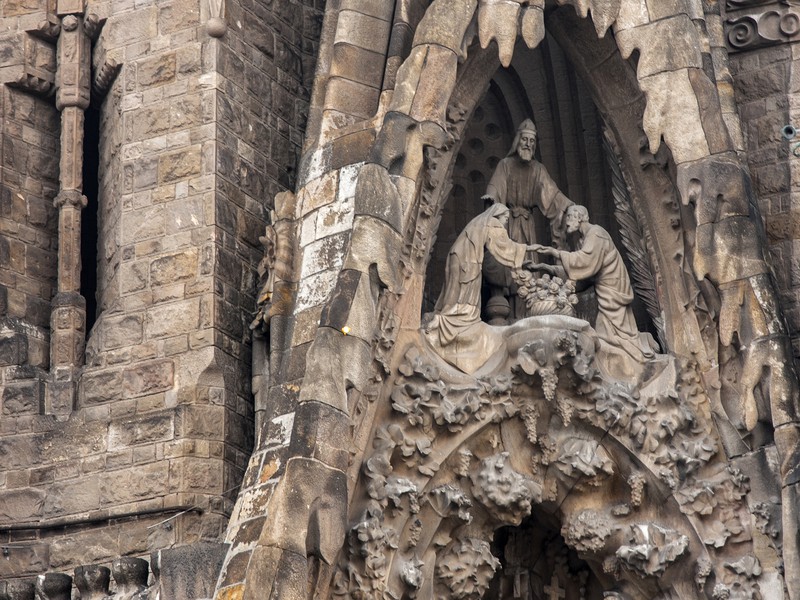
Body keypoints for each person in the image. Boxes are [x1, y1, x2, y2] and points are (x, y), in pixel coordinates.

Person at [533, 205, 657, 379]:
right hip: (605, 288)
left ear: (581, 217)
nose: (566, 221)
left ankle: (632, 365)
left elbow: (585, 261)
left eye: (569, 216)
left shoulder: (596, 233)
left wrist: (556, 252)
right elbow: (583, 275)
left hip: (612, 289)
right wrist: (548, 268)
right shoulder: (584, 240)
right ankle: (627, 362)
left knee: (610, 334)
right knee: (611, 333)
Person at [425, 204, 538, 373]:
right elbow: (505, 248)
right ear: (498, 215)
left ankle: (440, 320)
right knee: (465, 304)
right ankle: (443, 325)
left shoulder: (477, 223)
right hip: (468, 264)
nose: (506, 223)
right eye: (506, 219)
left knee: (454, 298)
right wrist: (528, 249)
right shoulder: (492, 223)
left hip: (456, 258)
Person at [482, 119, 573, 248]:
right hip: (509, 221)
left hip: (527, 224)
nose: (528, 144)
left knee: (528, 259)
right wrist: (491, 197)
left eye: (532, 141)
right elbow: (495, 188)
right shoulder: (505, 165)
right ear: (517, 140)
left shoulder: (538, 169)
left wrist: (569, 207)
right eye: (525, 139)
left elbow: (552, 195)